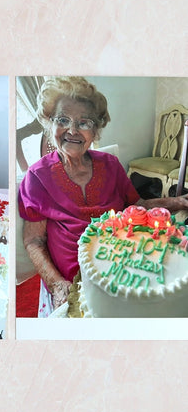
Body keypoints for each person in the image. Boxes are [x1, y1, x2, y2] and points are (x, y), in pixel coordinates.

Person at [18, 76, 188, 317]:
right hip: (73, 281)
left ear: (95, 130)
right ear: (49, 123)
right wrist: (57, 284)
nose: (73, 130)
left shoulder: (111, 165)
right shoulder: (36, 177)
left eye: (84, 122)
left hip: (124, 266)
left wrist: (177, 201)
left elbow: (137, 207)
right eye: (63, 120)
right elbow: (33, 241)